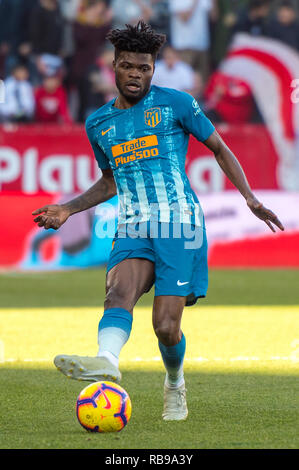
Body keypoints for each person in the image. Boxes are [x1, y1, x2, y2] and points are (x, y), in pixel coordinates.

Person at [32, 21, 284, 421]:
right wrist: (68, 209)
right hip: (133, 224)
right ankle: (107, 360)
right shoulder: (98, 124)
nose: (137, 74)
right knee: (117, 295)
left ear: (154, 69)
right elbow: (110, 181)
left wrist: (250, 198)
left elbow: (219, 148)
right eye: (129, 66)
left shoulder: (177, 104)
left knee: (165, 326)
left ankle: (174, 382)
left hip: (179, 223)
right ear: (113, 67)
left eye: (145, 68)